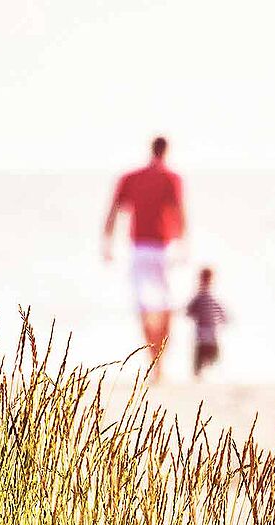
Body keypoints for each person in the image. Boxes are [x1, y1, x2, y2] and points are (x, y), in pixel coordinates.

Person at [102, 136, 186, 381]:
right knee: (167, 306)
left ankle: (155, 362)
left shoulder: (131, 178)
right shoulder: (171, 178)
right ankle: (160, 362)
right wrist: (184, 244)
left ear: (151, 150)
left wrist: (107, 243)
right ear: (167, 151)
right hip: (164, 247)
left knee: (145, 307)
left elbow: (113, 211)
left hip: (139, 249)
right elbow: (180, 212)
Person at [185, 266, 227, 378]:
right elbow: (189, 311)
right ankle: (199, 373)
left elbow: (188, 311)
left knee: (209, 354)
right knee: (204, 354)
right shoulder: (201, 297)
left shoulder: (205, 297)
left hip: (207, 331)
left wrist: (223, 319)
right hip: (204, 331)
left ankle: (202, 371)